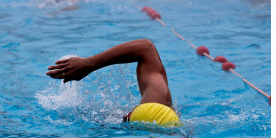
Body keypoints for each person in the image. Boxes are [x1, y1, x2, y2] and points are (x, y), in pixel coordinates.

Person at [46, 39, 181, 126]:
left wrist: (89, 63)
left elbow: (146, 47)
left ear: (129, 115)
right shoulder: (164, 110)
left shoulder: (161, 103)